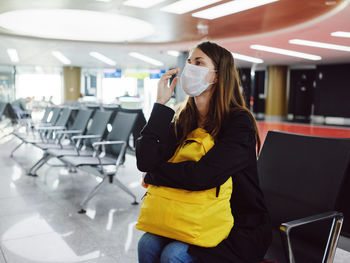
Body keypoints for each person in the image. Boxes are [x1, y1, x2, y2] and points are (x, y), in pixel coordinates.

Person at [136, 41, 272, 263]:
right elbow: (145, 160)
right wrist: (160, 104)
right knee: (147, 244)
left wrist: (153, 176)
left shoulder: (239, 122)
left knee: (174, 255)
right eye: (189, 62)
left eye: (199, 62)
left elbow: (203, 176)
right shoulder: (184, 119)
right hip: (189, 213)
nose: (190, 68)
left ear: (217, 76)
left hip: (237, 223)